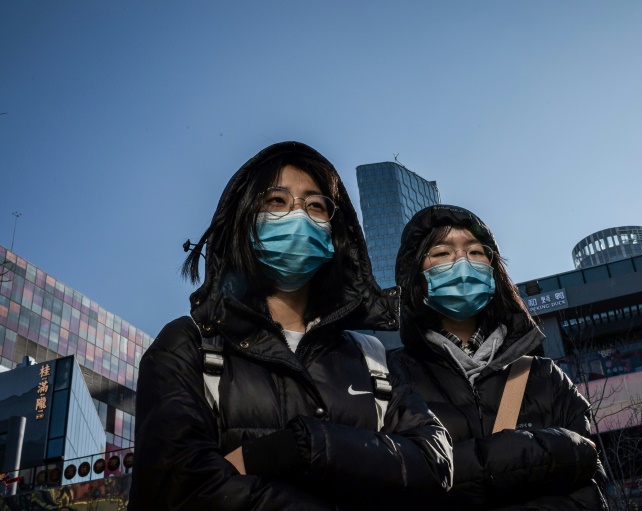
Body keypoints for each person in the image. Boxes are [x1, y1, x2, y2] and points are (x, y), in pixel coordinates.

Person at [128, 142, 452, 511]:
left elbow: (433, 462)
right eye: (276, 202)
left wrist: (305, 446)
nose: (298, 216)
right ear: (245, 225)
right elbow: (177, 491)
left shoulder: (374, 358)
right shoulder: (188, 346)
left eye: (315, 206)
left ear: (335, 234)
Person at [389, 204, 608, 510]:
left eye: (476, 252)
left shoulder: (544, 375)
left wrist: (460, 469)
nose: (462, 263)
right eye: (442, 253)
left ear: (494, 273)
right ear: (415, 274)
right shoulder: (390, 377)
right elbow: (399, 485)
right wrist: (531, 456)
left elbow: (589, 487)